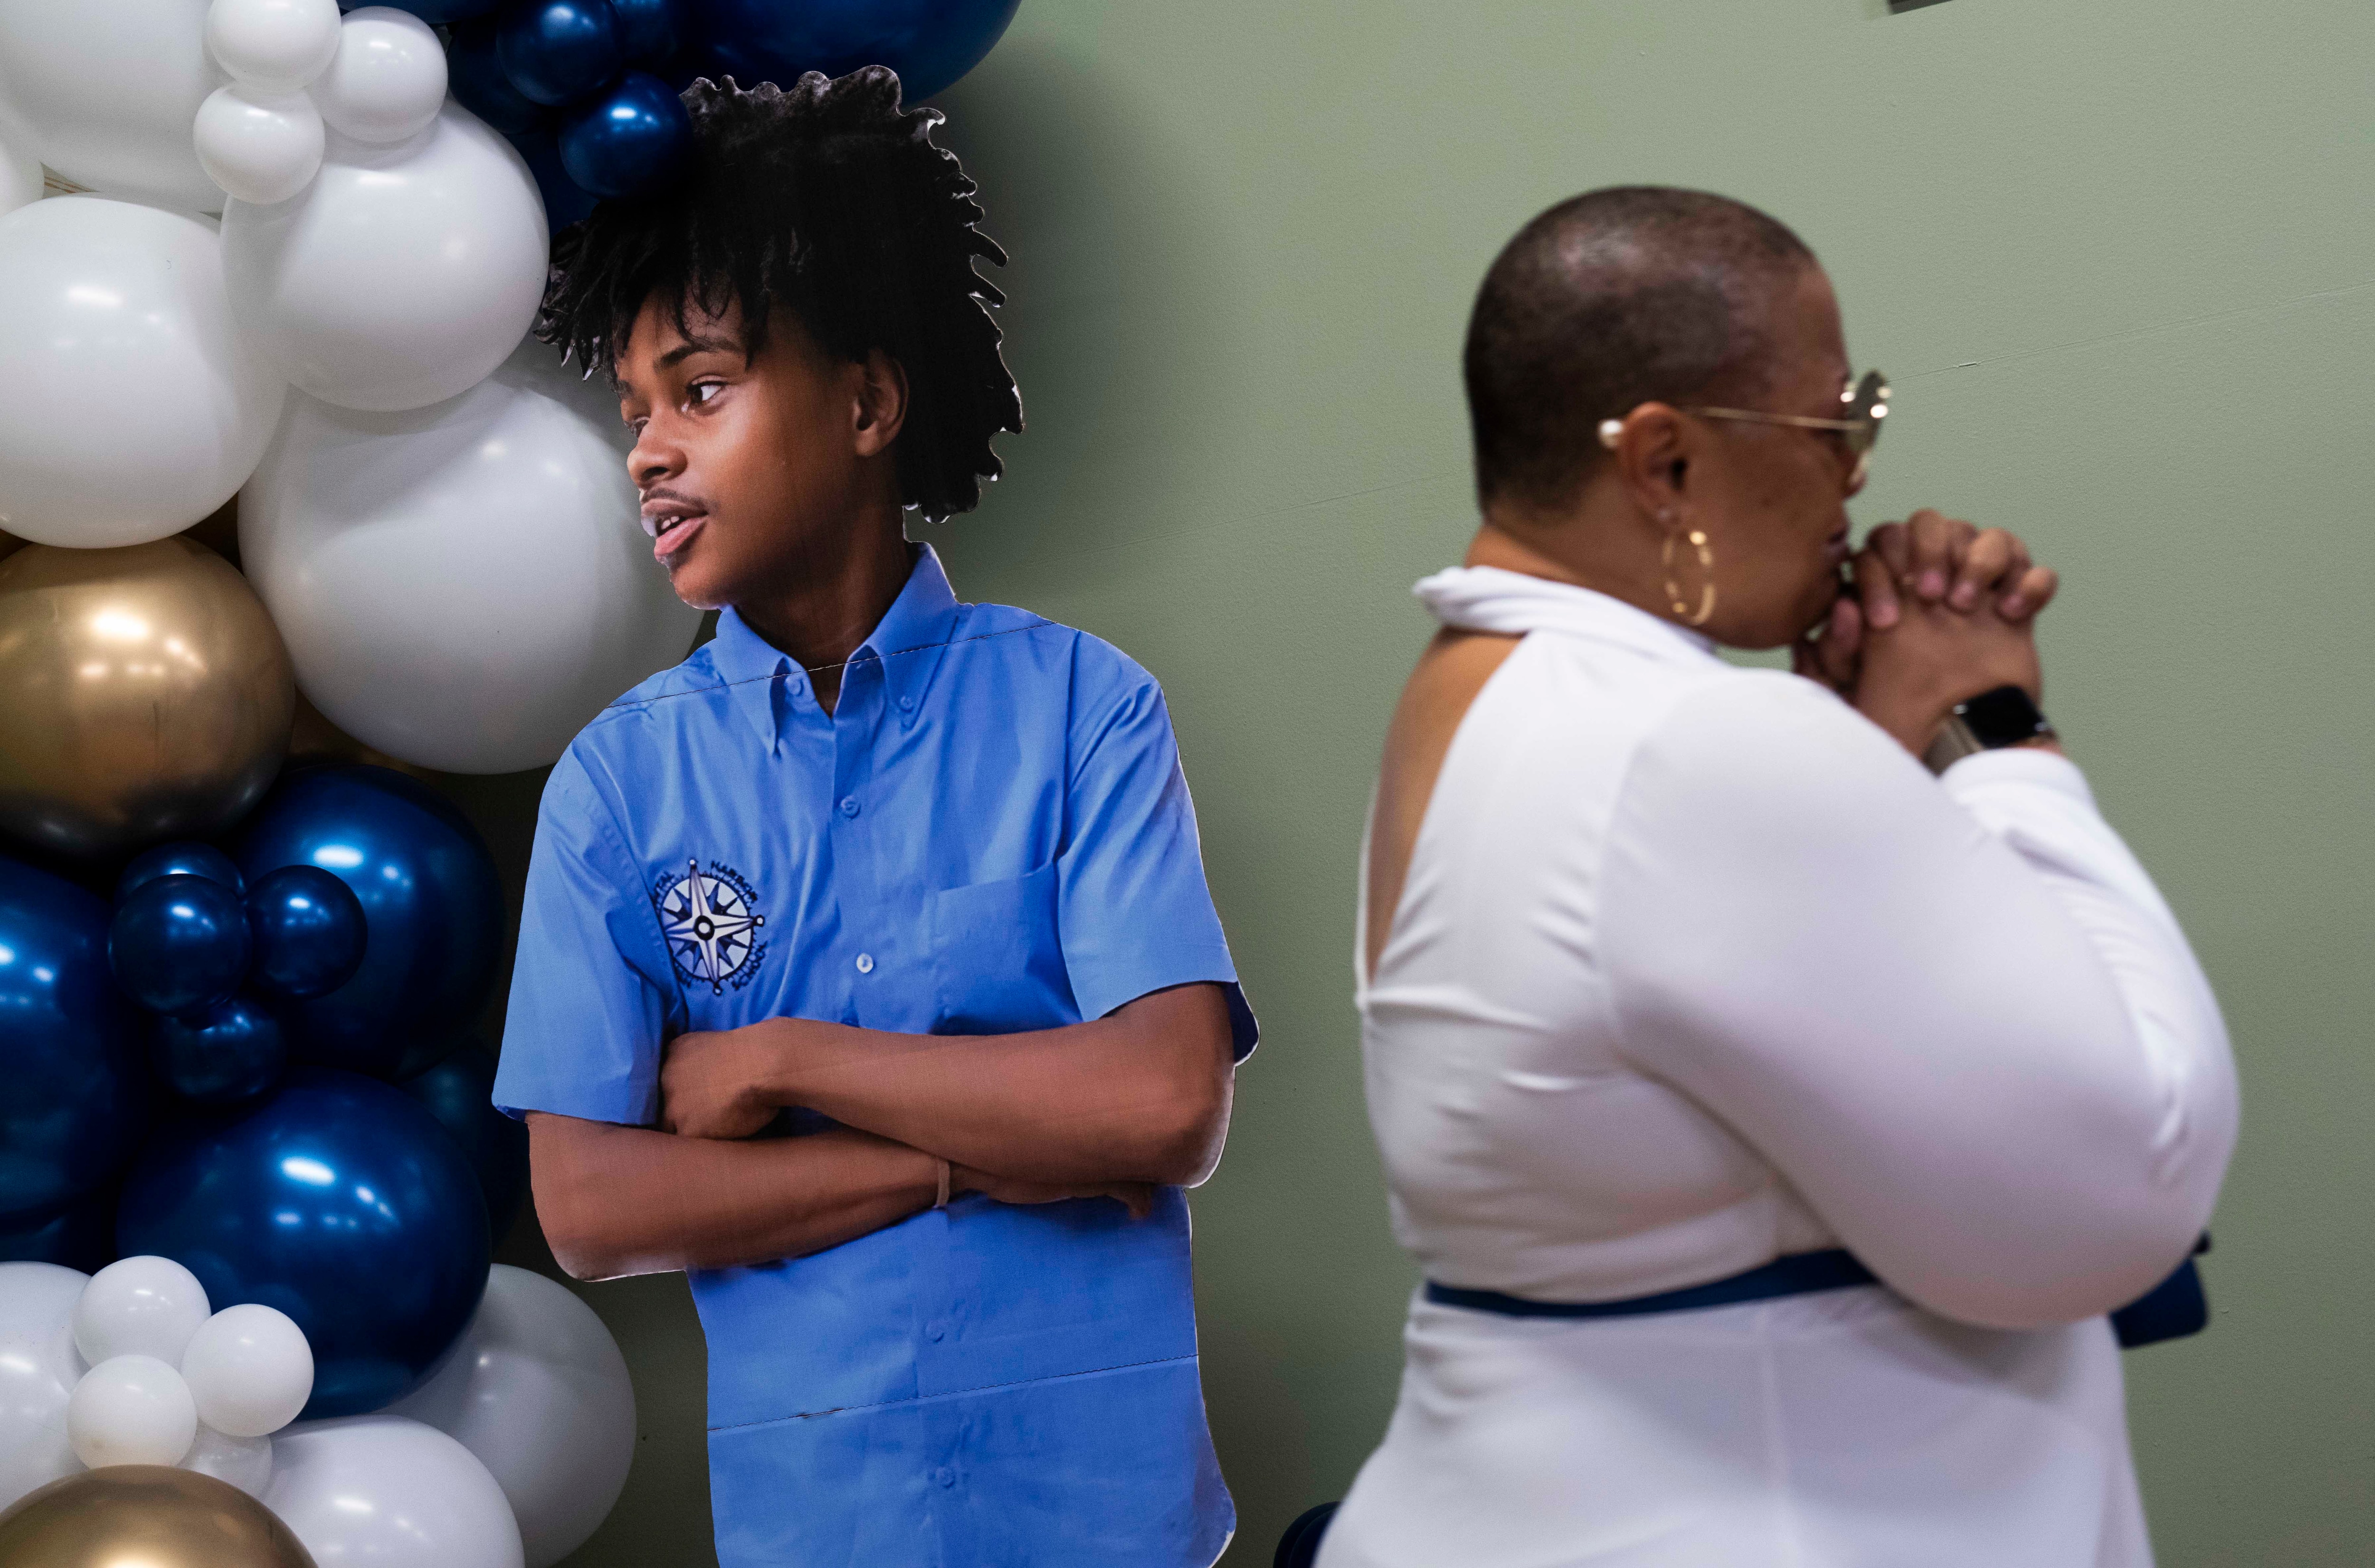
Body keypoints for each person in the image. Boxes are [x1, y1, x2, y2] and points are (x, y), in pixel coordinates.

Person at [1324, 188, 2237, 1568]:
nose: (1859, 473)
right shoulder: (1686, 743)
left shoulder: (1472, 702)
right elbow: (2130, 1183)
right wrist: (1995, 736)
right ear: (1664, 465)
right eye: (1836, 425)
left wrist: (1865, 765)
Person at [492, 70, 1254, 1568]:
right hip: (818, 1522)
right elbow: (592, 1203)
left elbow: (1164, 1109)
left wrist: (782, 1061)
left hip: (1106, 1514)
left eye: (701, 390)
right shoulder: (617, 786)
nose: (646, 450)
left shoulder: (1084, 712)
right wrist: (972, 1151)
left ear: (866, 402)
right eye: (634, 410)